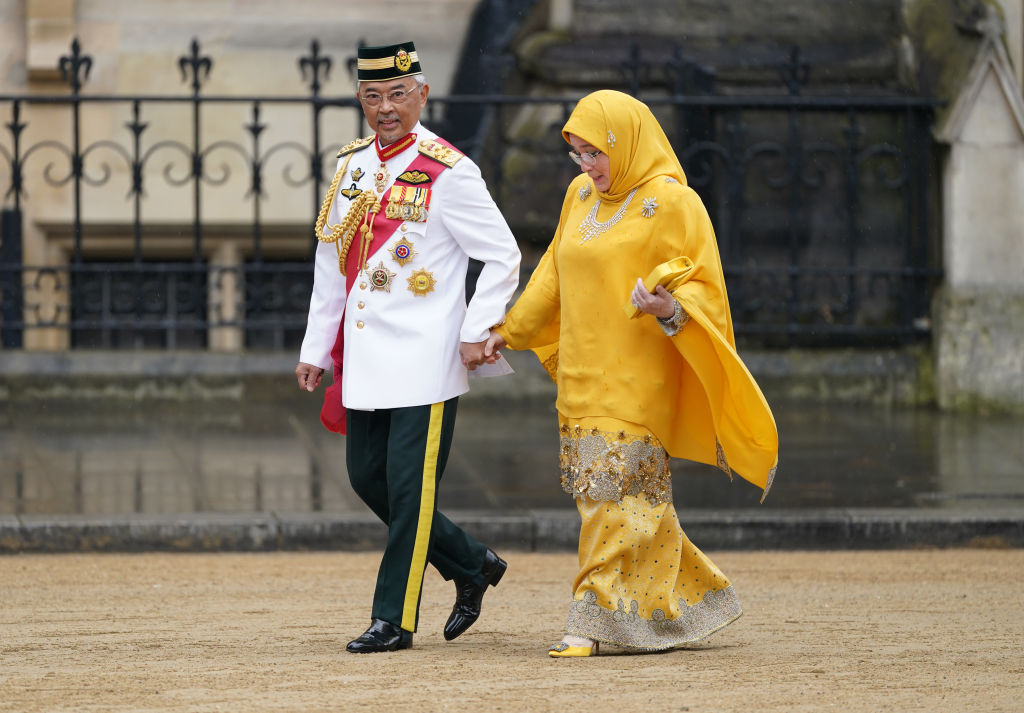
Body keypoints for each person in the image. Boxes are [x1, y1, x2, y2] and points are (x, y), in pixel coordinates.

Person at [484, 90, 778, 656]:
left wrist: (669, 308)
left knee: (611, 497)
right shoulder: (578, 196)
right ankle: (686, 601)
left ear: (626, 143)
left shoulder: (673, 203)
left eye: (596, 153)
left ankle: (589, 621)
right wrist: (507, 333)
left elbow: (705, 287)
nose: (587, 167)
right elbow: (552, 275)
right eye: (577, 154)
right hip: (581, 373)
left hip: (641, 376)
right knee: (626, 501)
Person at [295, 41, 521, 653]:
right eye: (373, 97)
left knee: (408, 493)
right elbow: (330, 264)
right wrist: (316, 348)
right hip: (366, 362)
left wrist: (478, 330)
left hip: (425, 360)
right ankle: (472, 564)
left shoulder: (451, 170)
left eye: (398, 94)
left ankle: (392, 618)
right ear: (361, 102)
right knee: (368, 478)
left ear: (422, 95)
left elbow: (501, 254)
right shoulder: (351, 167)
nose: (386, 107)